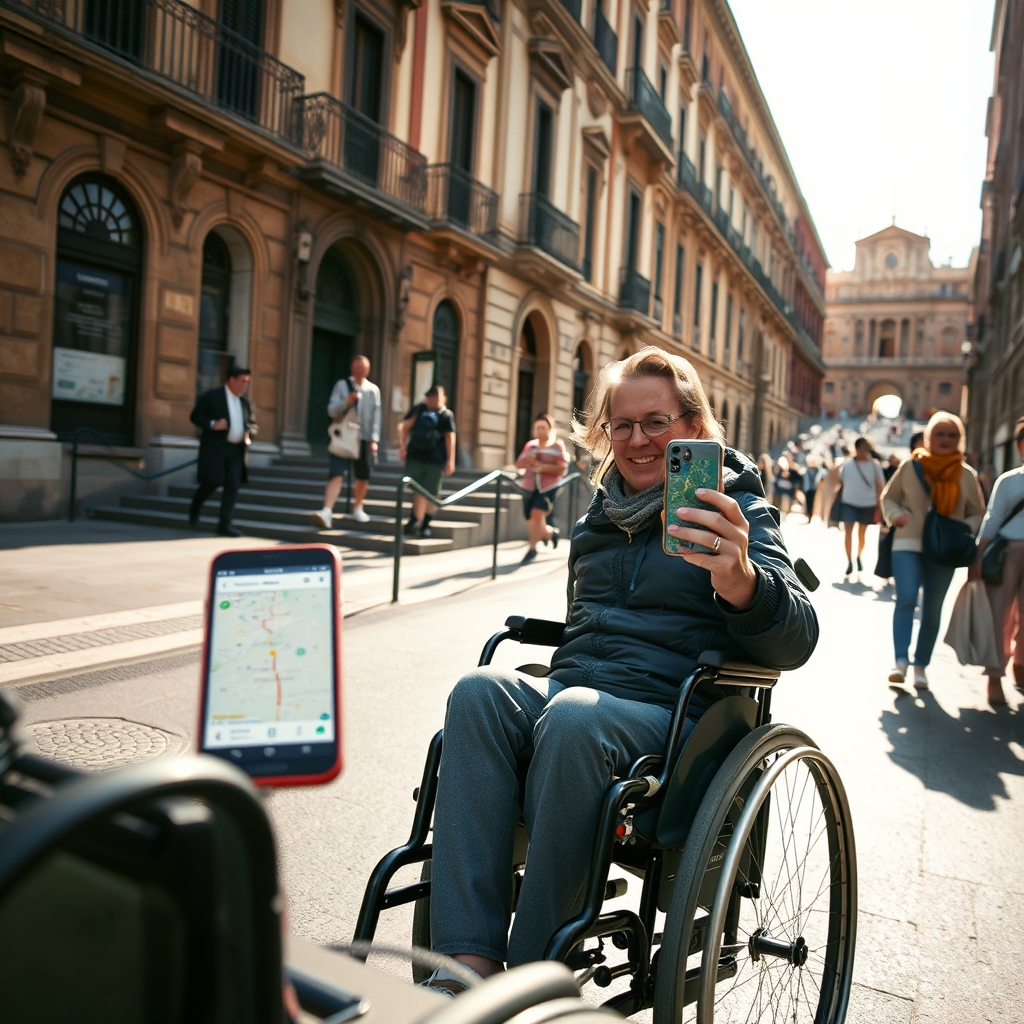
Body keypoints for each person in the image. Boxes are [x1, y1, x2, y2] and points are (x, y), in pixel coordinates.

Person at [422, 347, 818, 993]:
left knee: (573, 719)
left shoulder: (734, 504)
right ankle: (467, 965)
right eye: (621, 425)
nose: (636, 441)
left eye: (656, 423)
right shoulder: (599, 514)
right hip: (575, 694)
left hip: (673, 716)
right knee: (478, 691)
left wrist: (742, 580)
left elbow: (799, 636)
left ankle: (532, 981)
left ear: (693, 427)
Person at [880, 412, 985, 690]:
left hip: (945, 548)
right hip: (907, 542)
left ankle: (920, 666)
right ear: (929, 437)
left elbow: (977, 512)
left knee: (932, 608)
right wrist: (896, 516)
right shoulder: (911, 466)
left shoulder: (966, 474)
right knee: (906, 598)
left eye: (952, 435)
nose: (946, 440)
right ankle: (900, 662)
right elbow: (889, 498)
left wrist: (963, 528)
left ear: (960, 439)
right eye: (940, 434)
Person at [975, 417, 1024, 705]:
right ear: (1020, 446)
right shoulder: (1009, 480)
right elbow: (992, 518)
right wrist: (978, 556)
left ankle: (1021, 663)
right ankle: (995, 675)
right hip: (1007, 552)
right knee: (1000, 616)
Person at [312, 355, 382, 529]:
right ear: (352, 368)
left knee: (363, 476)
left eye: (363, 368)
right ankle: (327, 511)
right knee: (336, 473)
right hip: (344, 436)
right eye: (357, 367)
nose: (360, 371)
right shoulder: (342, 385)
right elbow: (331, 410)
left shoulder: (373, 390)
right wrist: (346, 402)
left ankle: (358, 506)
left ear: (368, 370)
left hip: (364, 438)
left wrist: (374, 439)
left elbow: (377, 416)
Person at [189, 366, 255, 537]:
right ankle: (195, 506)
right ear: (231, 379)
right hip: (216, 449)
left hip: (236, 451)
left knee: (233, 484)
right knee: (213, 481)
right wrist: (212, 424)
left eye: (247, 382)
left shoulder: (244, 403)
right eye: (242, 381)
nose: (245, 385)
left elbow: (251, 423)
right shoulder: (212, 396)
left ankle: (225, 525)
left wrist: (249, 431)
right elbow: (195, 416)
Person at [398, 384, 456, 537]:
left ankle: (422, 522)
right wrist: (402, 447)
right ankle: (418, 522)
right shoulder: (419, 410)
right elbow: (405, 426)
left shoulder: (445, 415)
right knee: (420, 490)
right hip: (418, 456)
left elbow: (450, 438)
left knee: (430, 492)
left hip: (434, 459)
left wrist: (451, 460)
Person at [515, 413, 568, 564]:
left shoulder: (557, 446)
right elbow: (519, 464)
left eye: (543, 428)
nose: (540, 431)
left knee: (536, 513)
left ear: (550, 429)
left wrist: (543, 468)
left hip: (547, 487)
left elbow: (562, 469)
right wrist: (527, 459)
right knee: (533, 518)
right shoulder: (530, 446)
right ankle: (550, 534)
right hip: (529, 486)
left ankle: (532, 549)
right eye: (537, 428)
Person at [837, 437, 884, 575]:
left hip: (867, 503)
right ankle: (849, 561)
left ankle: (858, 556)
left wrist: (879, 504)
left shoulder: (874, 465)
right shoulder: (847, 464)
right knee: (848, 533)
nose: (863, 451)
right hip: (849, 502)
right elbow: (841, 482)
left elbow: (879, 485)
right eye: (861, 448)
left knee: (861, 533)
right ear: (856, 449)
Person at [802, 457, 824, 522]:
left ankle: (813, 515)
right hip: (807, 489)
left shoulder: (819, 471)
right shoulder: (806, 471)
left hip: (815, 489)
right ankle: (808, 515)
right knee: (808, 502)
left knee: (814, 503)